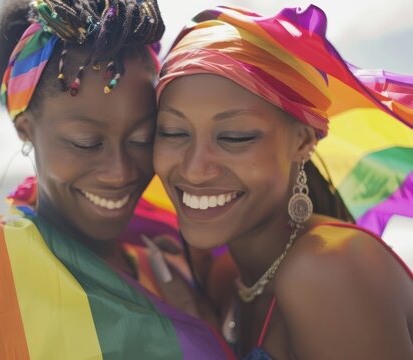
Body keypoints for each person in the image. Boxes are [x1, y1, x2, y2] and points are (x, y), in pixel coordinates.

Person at [0, 0, 235, 359]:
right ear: (26, 129)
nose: (120, 172)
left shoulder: (170, 265)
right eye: (86, 143)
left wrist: (202, 326)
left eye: (141, 140)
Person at [154, 4, 413, 359]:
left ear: (303, 141)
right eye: (173, 132)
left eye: (234, 136)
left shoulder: (326, 269)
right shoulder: (227, 276)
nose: (195, 169)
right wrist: (201, 329)